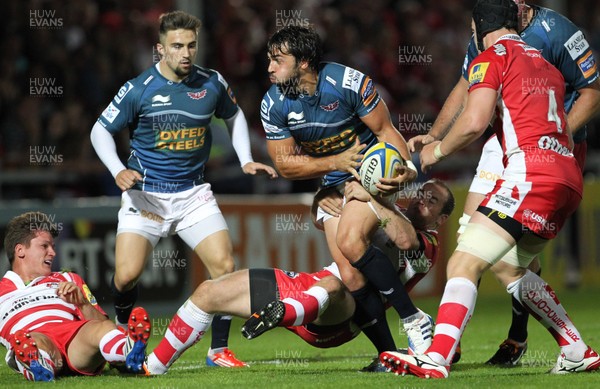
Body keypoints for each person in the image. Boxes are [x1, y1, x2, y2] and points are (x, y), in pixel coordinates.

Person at [380, 0, 600, 379]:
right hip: (566, 175)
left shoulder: (492, 56)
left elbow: (474, 121)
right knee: (509, 265)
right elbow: (580, 97)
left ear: (479, 27)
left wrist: (433, 152)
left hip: (529, 174)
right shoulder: (543, 62)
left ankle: (437, 357)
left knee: (463, 261)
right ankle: (576, 348)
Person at [90, 11, 277, 368]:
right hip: (146, 196)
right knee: (126, 275)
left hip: (192, 194)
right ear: (160, 49)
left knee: (224, 265)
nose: (186, 53)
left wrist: (245, 159)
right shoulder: (138, 89)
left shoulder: (212, 83)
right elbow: (99, 131)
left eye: (191, 45)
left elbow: (234, 115)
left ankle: (218, 350)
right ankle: (120, 332)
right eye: (177, 46)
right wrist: (117, 171)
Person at [141, 179, 454, 375]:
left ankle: (284, 314)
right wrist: (324, 202)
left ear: (441, 220)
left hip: (344, 314)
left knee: (334, 284)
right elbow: (330, 225)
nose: (421, 200)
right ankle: (151, 367)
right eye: (422, 194)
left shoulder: (430, 247)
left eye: (432, 201)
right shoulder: (391, 211)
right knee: (209, 292)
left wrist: (368, 197)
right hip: (310, 286)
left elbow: (405, 240)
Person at [260, 25, 437, 366]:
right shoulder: (273, 103)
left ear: (305, 62)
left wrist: (403, 171)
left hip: (370, 175)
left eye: (278, 60)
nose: (269, 67)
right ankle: (390, 353)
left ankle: (413, 318)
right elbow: (284, 165)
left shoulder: (348, 83)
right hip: (332, 182)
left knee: (351, 240)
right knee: (352, 275)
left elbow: (386, 132)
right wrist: (332, 168)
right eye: (269, 59)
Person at [0, 212, 151, 382]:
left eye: (53, 247)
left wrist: (82, 303)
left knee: (101, 328)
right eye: (45, 246)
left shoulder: (68, 278)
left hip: (74, 340)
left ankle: (128, 352)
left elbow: (101, 321)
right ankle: (39, 364)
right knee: (33, 341)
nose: (53, 253)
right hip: (35, 337)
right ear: (20, 251)